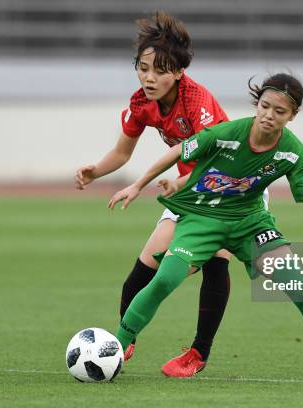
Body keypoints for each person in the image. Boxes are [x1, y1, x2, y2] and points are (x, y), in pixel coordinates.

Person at [109, 73, 303, 382]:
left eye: (280, 111)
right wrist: (138, 185)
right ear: (257, 103)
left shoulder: (292, 151)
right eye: (264, 106)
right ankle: (115, 349)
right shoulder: (228, 132)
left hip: (250, 222)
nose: (268, 116)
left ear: (293, 115)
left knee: (299, 287)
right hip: (202, 216)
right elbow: (178, 152)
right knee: (165, 278)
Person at [75, 11, 246, 377]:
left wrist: (178, 184)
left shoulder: (197, 101)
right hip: (185, 191)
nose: (149, 77)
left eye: (159, 70)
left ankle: (198, 354)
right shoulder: (142, 102)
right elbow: (123, 152)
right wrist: (96, 169)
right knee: (142, 271)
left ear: (179, 72)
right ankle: (120, 346)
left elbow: (215, 160)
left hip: (231, 188)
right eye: (143, 67)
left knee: (217, 261)